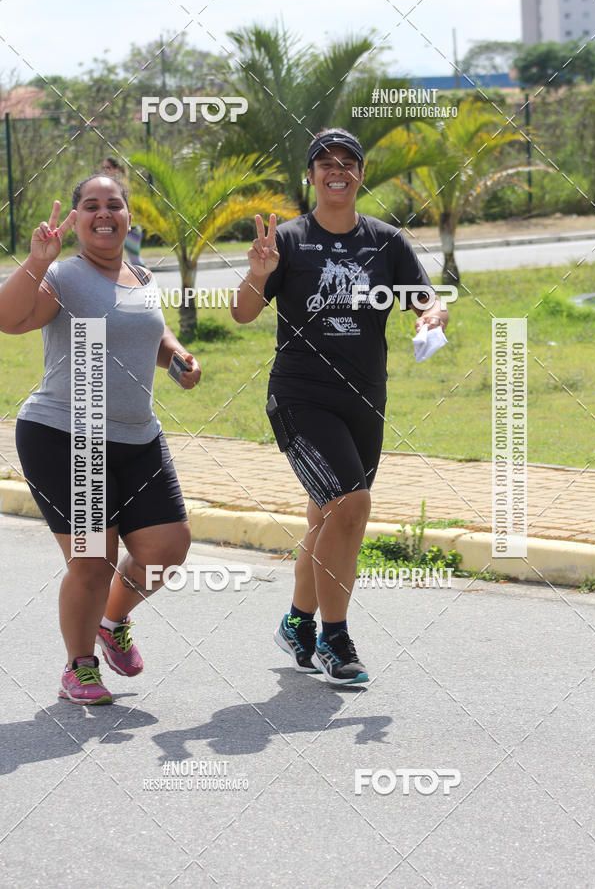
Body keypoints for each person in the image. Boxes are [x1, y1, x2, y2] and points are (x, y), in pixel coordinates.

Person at [231, 128, 449, 685]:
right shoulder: (291, 240)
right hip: (300, 398)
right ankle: (335, 638)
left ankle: (298, 624)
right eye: (324, 162)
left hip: (364, 400)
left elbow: (425, 300)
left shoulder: (387, 241)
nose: (337, 170)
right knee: (352, 507)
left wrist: (432, 317)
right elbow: (242, 314)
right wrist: (257, 274)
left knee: (328, 516)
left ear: (360, 172)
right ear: (310, 176)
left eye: (347, 162)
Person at [0, 174, 201, 705]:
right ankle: (78, 666)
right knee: (93, 560)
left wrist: (178, 357)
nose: (104, 213)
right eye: (91, 206)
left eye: (114, 204)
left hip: (138, 436)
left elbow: (152, 332)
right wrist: (38, 260)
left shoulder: (140, 275)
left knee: (167, 548)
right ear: (77, 218)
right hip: (68, 433)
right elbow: (9, 317)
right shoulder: (64, 276)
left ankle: (112, 622)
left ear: (128, 217)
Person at [102, 157, 145, 266]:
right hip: (118, 227)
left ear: (116, 169)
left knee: (136, 261)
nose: (104, 171)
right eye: (103, 168)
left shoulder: (119, 185)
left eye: (108, 168)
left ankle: (148, 280)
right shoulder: (111, 184)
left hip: (131, 228)